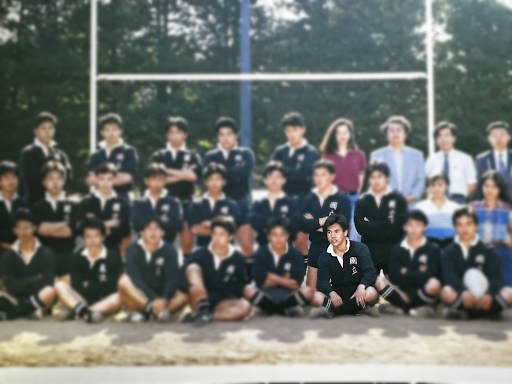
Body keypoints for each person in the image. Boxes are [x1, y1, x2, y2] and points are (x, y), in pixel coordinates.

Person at [310, 214, 409, 318]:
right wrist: (332, 293)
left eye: (336, 231)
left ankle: (402, 306)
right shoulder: (324, 256)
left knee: (373, 289)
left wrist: (361, 287)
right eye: (329, 232)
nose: (333, 236)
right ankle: (358, 310)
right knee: (316, 296)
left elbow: (370, 272)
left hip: (359, 294)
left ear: (345, 232)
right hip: (338, 297)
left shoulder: (360, 248)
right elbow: (322, 282)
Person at [440, 206, 512, 319]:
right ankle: (487, 313)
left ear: (476, 226)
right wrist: (463, 290)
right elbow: (449, 276)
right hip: (463, 296)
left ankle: (469, 314)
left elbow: (496, 278)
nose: (465, 229)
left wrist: (489, 293)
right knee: (446, 291)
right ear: (455, 227)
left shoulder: (488, 250)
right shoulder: (448, 251)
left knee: (509, 292)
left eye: (469, 224)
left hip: (485, 294)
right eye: (460, 225)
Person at [181, 216, 251, 326]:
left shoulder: (237, 257)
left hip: (221, 301)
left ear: (230, 237)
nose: (217, 238)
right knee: (192, 267)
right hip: (198, 299)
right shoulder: (200, 253)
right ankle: (202, 309)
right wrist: (194, 290)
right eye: (214, 234)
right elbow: (182, 274)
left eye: (222, 234)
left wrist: (227, 287)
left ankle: (208, 316)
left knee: (246, 307)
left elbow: (241, 284)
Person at [118, 215, 188, 322]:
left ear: (162, 233)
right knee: (123, 282)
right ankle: (154, 310)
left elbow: (172, 278)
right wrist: (153, 299)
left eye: (157, 229)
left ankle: (151, 312)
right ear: (142, 233)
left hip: (162, 294)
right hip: (141, 293)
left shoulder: (170, 250)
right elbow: (135, 278)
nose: (153, 232)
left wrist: (164, 298)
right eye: (149, 229)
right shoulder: (132, 250)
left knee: (184, 295)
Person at [149, 116, 202, 258]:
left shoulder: (193, 155)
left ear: (185, 134)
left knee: (187, 237)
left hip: (185, 200)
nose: (175, 135)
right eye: (171, 132)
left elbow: (193, 176)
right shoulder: (158, 155)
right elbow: (156, 180)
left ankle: (186, 267)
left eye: (178, 132)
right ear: (167, 135)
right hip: (162, 201)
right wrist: (183, 174)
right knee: (161, 241)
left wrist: (167, 171)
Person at [203, 117, 255, 257]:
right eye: (222, 134)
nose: (225, 138)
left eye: (229, 134)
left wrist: (220, 173)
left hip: (242, 203)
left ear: (235, 135)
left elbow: (243, 173)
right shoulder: (210, 156)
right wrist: (233, 173)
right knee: (221, 247)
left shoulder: (246, 154)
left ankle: (249, 276)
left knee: (248, 247)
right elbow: (210, 179)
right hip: (219, 207)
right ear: (217, 137)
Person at [55, 217, 123, 323]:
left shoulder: (112, 256)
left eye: (96, 236)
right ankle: (87, 313)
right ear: (83, 239)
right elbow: (76, 286)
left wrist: (88, 283)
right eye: (88, 237)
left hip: (104, 301)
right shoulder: (77, 256)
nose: (92, 241)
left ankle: (79, 312)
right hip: (82, 300)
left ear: (103, 237)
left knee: (118, 297)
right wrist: (94, 283)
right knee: (59, 285)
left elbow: (110, 287)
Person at [271, 112, 320, 257]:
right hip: (281, 201)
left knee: (300, 243)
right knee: (278, 243)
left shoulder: (311, 153)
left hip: (303, 203)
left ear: (302, 129)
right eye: (288, 130)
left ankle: (302, 278)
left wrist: (284, 170)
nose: (291, 134)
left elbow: (306, 176)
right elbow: (273, 176)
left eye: (295, 130)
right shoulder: (280, 152)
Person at [244, 217, 313, 317]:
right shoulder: (261, 252)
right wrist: (284, 280)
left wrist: (271, 277)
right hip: (266, 294)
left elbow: (295, 284)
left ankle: (272, 309)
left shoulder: (296, 254)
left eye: (282, 234)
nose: (278, 238)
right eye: (274, 234)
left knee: (308, 291)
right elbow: (260, 283)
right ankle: (282, 310)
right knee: (248, 290)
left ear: (287, 235)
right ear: (269, 236)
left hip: (289, 295)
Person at [300, 159, 351, 289]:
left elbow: (342, 226)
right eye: (316, 175)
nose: (319, 178)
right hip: (316, 247)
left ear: (332, 176)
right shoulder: (309, 199)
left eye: (323, 174)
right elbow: (303, 226)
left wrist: (315, 222)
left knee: (336, 294)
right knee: (310, 294)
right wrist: (325, 220)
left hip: (337, 248)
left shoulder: (343, 199)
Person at [382, 210, 442, 317]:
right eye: (410, 225)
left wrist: (406, 271)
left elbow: (431, 275)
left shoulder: (433, 249)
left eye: (418, 225)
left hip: (423, 291)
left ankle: (404, 308)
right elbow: (394, 276)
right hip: (402, 292)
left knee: (434, 283)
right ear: (405, 227)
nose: (413, 229)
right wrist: (419, 272)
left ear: (425, 227)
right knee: (379, 281)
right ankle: (412, 310)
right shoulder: (397, 249)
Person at [0, 209, 56, 320]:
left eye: (26, 227)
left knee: (50, 291)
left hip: (40, 298)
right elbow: (10, 286)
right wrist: (35, 279)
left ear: (34, 228)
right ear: (14, 230)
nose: (23, 231)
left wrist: (21, 283)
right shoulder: (8, 255)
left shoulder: (46, 252)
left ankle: (11, 315)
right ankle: (27, 310)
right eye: (19, 228)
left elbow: (47, 281)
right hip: (15, 298)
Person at [355, 161, 408, 275]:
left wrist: (371, 224)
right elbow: (360, 227)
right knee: (370, 287)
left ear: (387, 178)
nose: (376, 180)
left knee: (394, 288)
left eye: (380, 176)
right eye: (372, 177)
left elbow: (398, 228)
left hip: (393, 248)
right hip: (370, 250)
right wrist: (386, 223)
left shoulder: (398, 199)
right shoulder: (362, 201)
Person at [320, 118, 366, 241]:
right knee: (335, 233)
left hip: (353, 199)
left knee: (353, 235)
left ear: (350, 134)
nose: (342, 135)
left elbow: (361, 175)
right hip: (334, 200)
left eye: (345, 132)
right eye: (339, 133)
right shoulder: (327, 155)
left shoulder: (358, 155)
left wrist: (356, 190)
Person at [31, 161, 77, 280]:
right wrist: (65, 223)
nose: (55, 183)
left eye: (59, 178)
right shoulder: (36, 207)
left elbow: (69, 232)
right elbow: (40, 230)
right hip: (43, 258)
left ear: (64, 181)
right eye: (50, 178)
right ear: (43, 182)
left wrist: (49, 228)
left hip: (68, 257)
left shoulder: (74, 205)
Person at [19, 112, 73, 204]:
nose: (47, 132)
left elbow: (68, 178)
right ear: (35, 131)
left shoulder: (61, 154)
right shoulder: (28, 153)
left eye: (50, 128)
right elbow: (29, 182)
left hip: (58, 202)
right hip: (35, 202)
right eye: (43, 128)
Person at [370, 116, 425, 206]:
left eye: (399, 130)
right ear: (387, 134)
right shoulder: (377, 155)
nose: (395, 133)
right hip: (385, 204)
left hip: (411, 204)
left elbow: (421, 179)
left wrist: (413, 195)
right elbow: (373, 180)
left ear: (405, 134)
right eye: (391, 130)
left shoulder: (417, 156)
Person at [470, 171, 512, 286]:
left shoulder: (507, 209)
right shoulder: (473, 207)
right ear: (481, 187)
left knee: (507, 288)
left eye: (494, 186)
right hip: (477, 249)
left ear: (500, 189)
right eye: (486, 186)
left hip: (501, 249)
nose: (489, 190)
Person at [77, 163, 131, 252]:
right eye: (101, 179)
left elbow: (125, 230)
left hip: (113, 249)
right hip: (90, 250)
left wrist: (94, 224)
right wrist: (107, 224)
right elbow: (80, 227)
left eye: (109, 179)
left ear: (114, 180)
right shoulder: (86, 202)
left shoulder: (123, 203)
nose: (105, 183)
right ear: (97, 180)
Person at [187, 163, 241, 248]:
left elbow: (232, 229)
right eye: (211, 179)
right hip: (203, 249)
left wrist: (210, 224)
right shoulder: (196, 204)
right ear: (205, 182)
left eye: (218, 179)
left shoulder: (231, 204)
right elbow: (195, 229)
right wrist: (222, 231)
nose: (214, 183)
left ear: (224, 181)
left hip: (226, 249)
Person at [86, 113, 139, 200]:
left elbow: (128, 177)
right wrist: (115, 177)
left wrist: (101, 179)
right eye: (107, 129)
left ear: (120, 131)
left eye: (114, 129)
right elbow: (90, 179)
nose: (111, 133)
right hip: (98, 200)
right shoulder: (96, 154)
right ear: (102, 132)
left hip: (121, 198)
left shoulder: (129, 151)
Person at [248, 161, 300, 247]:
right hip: (263, 248)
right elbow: (253, 220)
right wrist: (278, 221)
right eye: (270, 177)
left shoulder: (291, 202)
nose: (274, 180)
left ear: (284, 180)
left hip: (286, 249)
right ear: (265, 180)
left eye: (277, 177)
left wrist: (268, 222)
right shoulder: (259, 202)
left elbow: (294, 225)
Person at [131, 163, 184, 245]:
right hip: (142, 245)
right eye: (153, 179)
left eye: (160, 179)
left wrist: (147, 219)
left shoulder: (173, 201)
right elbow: (136, 224)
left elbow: (177, 225)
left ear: (165, 181)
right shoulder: (138, 202)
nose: (157, 183)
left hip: (167, 244)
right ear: (146, 181)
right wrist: (161, 219)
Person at [424, 122, 476, 204]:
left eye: (447, 136)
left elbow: (471, 184)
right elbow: (425, 181)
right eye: (439, 136)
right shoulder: (431, 159)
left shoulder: (465, 159)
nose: (443, 139)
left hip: (458, 200)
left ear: (454, 138)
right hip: (436, 200)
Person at [415, 172, 460, 248]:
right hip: (427, 246)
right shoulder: (420, 207)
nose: (436, 189)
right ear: (428, 187)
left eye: (440, 185)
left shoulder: (455, 207)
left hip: (451, 245)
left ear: (446, 186)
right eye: (432, 185)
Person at [476, 121, 512, 200]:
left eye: (502, 134)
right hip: (493, 202)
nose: (498, 138)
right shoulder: (482, 159)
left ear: (509, 137)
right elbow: (480, 185)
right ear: (489, 139)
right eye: (494, 135)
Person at [0, 161, 27, 253]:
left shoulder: (24, 204)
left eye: (14, 177)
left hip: (20, 251)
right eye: (6, 177)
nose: (11, 181)